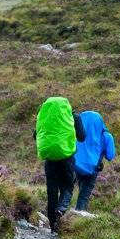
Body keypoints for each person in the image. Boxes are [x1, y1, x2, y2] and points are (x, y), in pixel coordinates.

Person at [35, 95, 85, 229]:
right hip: (67, 156)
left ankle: (52, 224)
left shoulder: (44, 116)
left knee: (51, 190)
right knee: (67, 185)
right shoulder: (74, 116)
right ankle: (61, 210)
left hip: (49, 157)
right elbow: (82, 137)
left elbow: (36, 135)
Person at [71, 108, 116, 213]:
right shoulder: (106, 136)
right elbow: (110, 156)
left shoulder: (74, 132)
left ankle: (61, 214)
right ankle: (79, 215)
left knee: (67, 190)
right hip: (93, 168)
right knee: (84, 195)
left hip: (75, 165)